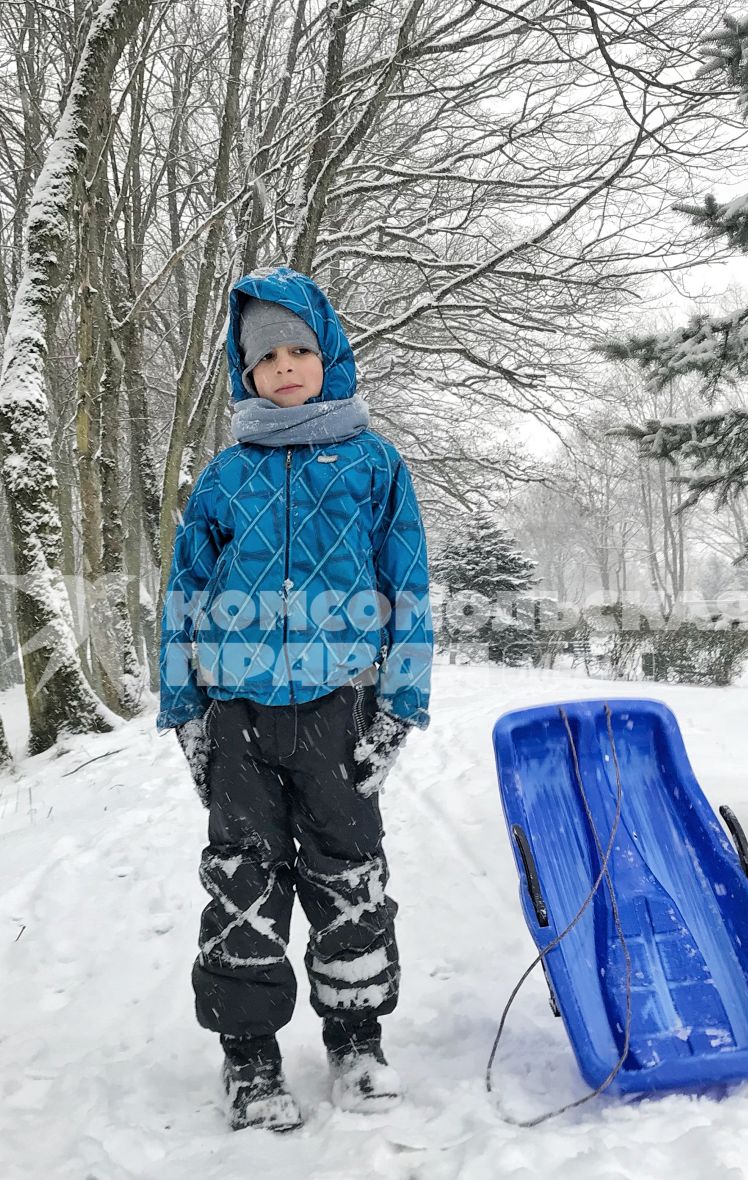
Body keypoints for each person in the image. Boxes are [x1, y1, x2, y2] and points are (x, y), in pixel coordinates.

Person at [157, 266, 433, 1133]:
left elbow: (410, 588)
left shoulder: (373, 466)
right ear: (245, 372)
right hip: (237, 716)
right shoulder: (223, 477)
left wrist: (398, 705)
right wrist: (187, 712)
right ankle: (249, 1056)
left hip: (336, 709)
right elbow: (184, 595)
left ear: (329, 354)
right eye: (263, 355)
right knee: (242, 880)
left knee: (347, 874)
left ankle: (353, 1037)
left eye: (298, 349)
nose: (283, 366)